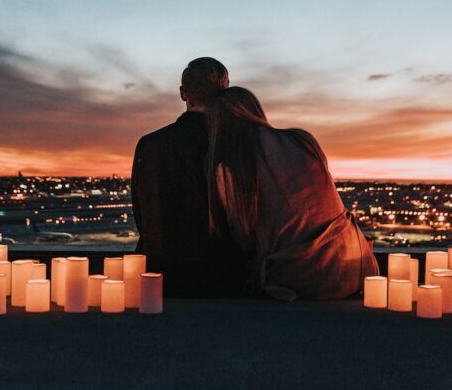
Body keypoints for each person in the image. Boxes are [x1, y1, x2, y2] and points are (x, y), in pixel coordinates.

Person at [206, 86, 378, 300]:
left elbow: (244, 237)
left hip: (303, 279)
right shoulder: (303, 140)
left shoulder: (232, 169)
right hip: (357, 267)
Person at [131, 57, 247, 296]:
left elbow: (143, 216)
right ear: (225, 91)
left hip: (159, 275)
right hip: (221, 278)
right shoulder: (234, 144)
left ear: (183, 94)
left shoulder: (148, 145)